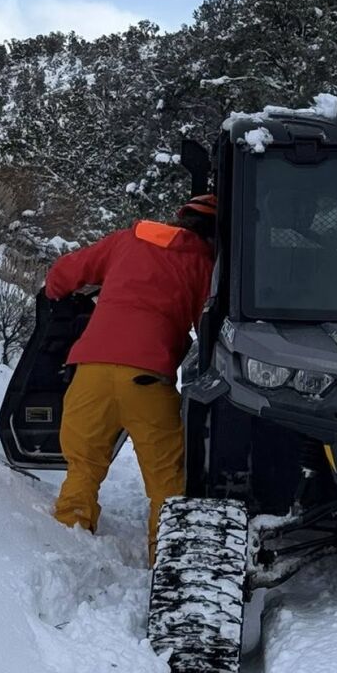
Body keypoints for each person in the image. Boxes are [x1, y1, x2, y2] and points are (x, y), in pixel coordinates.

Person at [44, 193, 217, 563]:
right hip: (148, 378)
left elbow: (63, 274)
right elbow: (210, 327)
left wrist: (56, 298)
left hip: (90, 369)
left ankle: (68, 544)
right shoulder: (205, 263)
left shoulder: (128, 239)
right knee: (166, 482)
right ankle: (166, 559)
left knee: (83, 465)